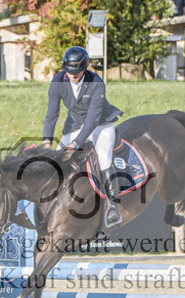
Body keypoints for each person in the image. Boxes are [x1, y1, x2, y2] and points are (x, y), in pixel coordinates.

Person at [42, 46, 125, 227]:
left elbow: (92, 120)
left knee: (103, 158)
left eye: (77, 72)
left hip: (101, 124)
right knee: (55, 160)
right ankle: (48, 204)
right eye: (69, 71)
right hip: (75, 123)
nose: (73, 75)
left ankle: (112, 206)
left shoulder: (96, 83)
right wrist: (46, 141)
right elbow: (52, 114)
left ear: (85, 68)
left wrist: (75, 144)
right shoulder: (58, 81)